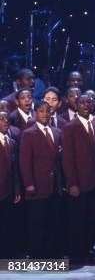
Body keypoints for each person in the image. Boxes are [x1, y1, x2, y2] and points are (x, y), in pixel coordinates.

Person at [61, 94, 95, 265]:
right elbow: (68, 158)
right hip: (78, 183)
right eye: (82, 102)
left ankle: (87, 251)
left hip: (93, 182)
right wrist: (72, 183)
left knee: (90, 219)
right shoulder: (70, 127)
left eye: (88, 102)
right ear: (76, 105)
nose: (86, 105)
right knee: (77, 221)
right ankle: (77, 254)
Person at [19, 100, 62, 258]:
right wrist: (29, 184)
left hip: (55, 186)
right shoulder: (29, 134)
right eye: (41, 111)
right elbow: (24, 161)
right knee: (37, 223)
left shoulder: (57, 132)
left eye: (47, 111)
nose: (45, 114)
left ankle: (50, 254)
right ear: (36, 113)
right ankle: (37, 255)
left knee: (53, 222)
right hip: (37, 186)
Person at [0, 110, 21, 258]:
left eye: (6, 119)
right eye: (1, 119)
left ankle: (7, 254)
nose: (5, 121)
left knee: (7, 224)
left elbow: (15, 170)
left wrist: (17, 190)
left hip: (8, 191)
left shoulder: (12, 143)